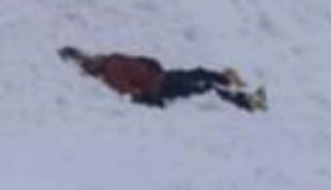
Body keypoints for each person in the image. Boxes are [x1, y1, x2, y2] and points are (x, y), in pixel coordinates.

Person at [58, 46, 266, 112]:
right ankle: (249, 102)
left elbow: (141, 63)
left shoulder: (112, 58)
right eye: (92, 61)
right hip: (162, 85)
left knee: (198, 72)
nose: (95, 56)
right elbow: (127, 90)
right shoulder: (111, 72)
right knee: (205, 89)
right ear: (95, 68)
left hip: (163, 75)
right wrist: (146, 98)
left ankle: (227, 78)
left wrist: (74, 54)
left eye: (93, 56)